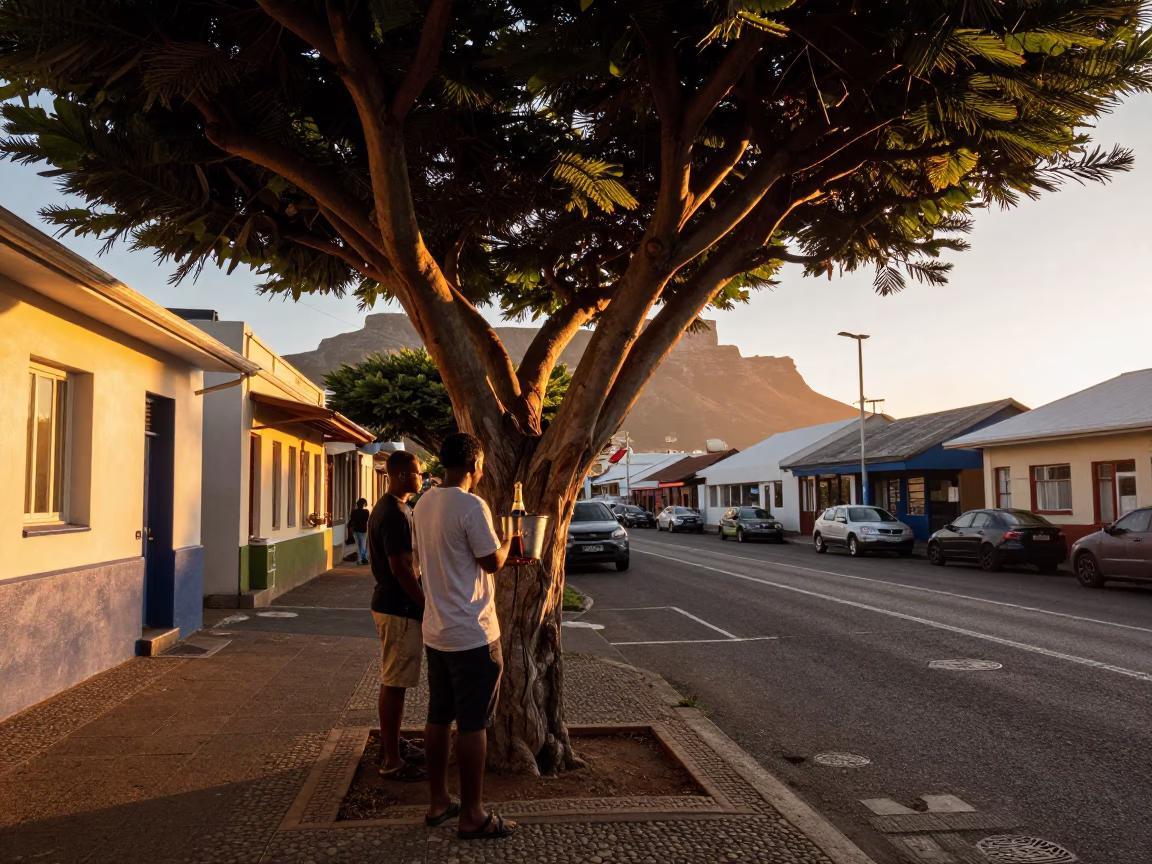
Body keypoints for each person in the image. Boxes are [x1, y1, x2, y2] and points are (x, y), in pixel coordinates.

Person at [413, 432, 517, 840]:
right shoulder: (472, 505)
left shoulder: (424, 503)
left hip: (436, 631)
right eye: (483, 462)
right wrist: (510, 541)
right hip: (473, 634)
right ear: (475, 464)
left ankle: (438, 801)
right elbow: (491, 562)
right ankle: (472, 814)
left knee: (438, 717)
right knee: (474, 724)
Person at [368, 452, 427, 782]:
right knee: (394, 683)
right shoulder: (393, 512)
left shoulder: (393, 507)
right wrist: (424, 605)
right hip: (398, 608)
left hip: (391, 605)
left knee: (395, 681)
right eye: (418, 473)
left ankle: (392, 744)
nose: (422, 478)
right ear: (403, 475)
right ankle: (391, 760)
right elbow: (401, 568)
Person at [349, 497, 370, 565]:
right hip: (363, 530)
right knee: (362, 545)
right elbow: (367, 520)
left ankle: (364, 558)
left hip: (356, 530)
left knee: (360, 544)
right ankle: (360, 559)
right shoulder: (366, 512)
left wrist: (351, 529)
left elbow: (351, 521)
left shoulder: (354, 512)